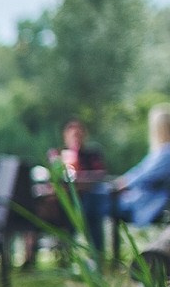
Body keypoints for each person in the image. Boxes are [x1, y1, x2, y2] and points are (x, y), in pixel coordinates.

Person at [49, 118, 113, 251]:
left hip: (88, 197)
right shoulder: (57, 154)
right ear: (65, 136)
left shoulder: (92, 154)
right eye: (73, 135)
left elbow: (100, 174)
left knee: (92, 206)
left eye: (79, 134)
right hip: (64, 199)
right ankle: (67, 248)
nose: (76, 138)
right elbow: (54, 177)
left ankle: (95, 251)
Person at [114, 104, 170, 228]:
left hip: (151, 201)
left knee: (101, 203)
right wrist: (124, 180)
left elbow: (146, 175)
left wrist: (125, 183)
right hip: (141, 197)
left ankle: (96, 244)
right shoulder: (158, 151)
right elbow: (140, 169)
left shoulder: (167, 152)